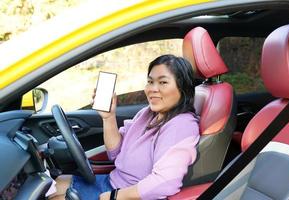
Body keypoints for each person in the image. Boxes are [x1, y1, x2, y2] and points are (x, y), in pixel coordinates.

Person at [49, 54, 200, 200]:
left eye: (163, 82)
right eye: (150, 81)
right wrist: (109, 117)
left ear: (182, 88)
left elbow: (165, 183)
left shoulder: (182, 126)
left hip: (129, 195)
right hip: (112, 182)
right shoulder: (148, 113)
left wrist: (115, 196)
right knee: (52, 184)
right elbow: (115, 153)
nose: (152, 89)